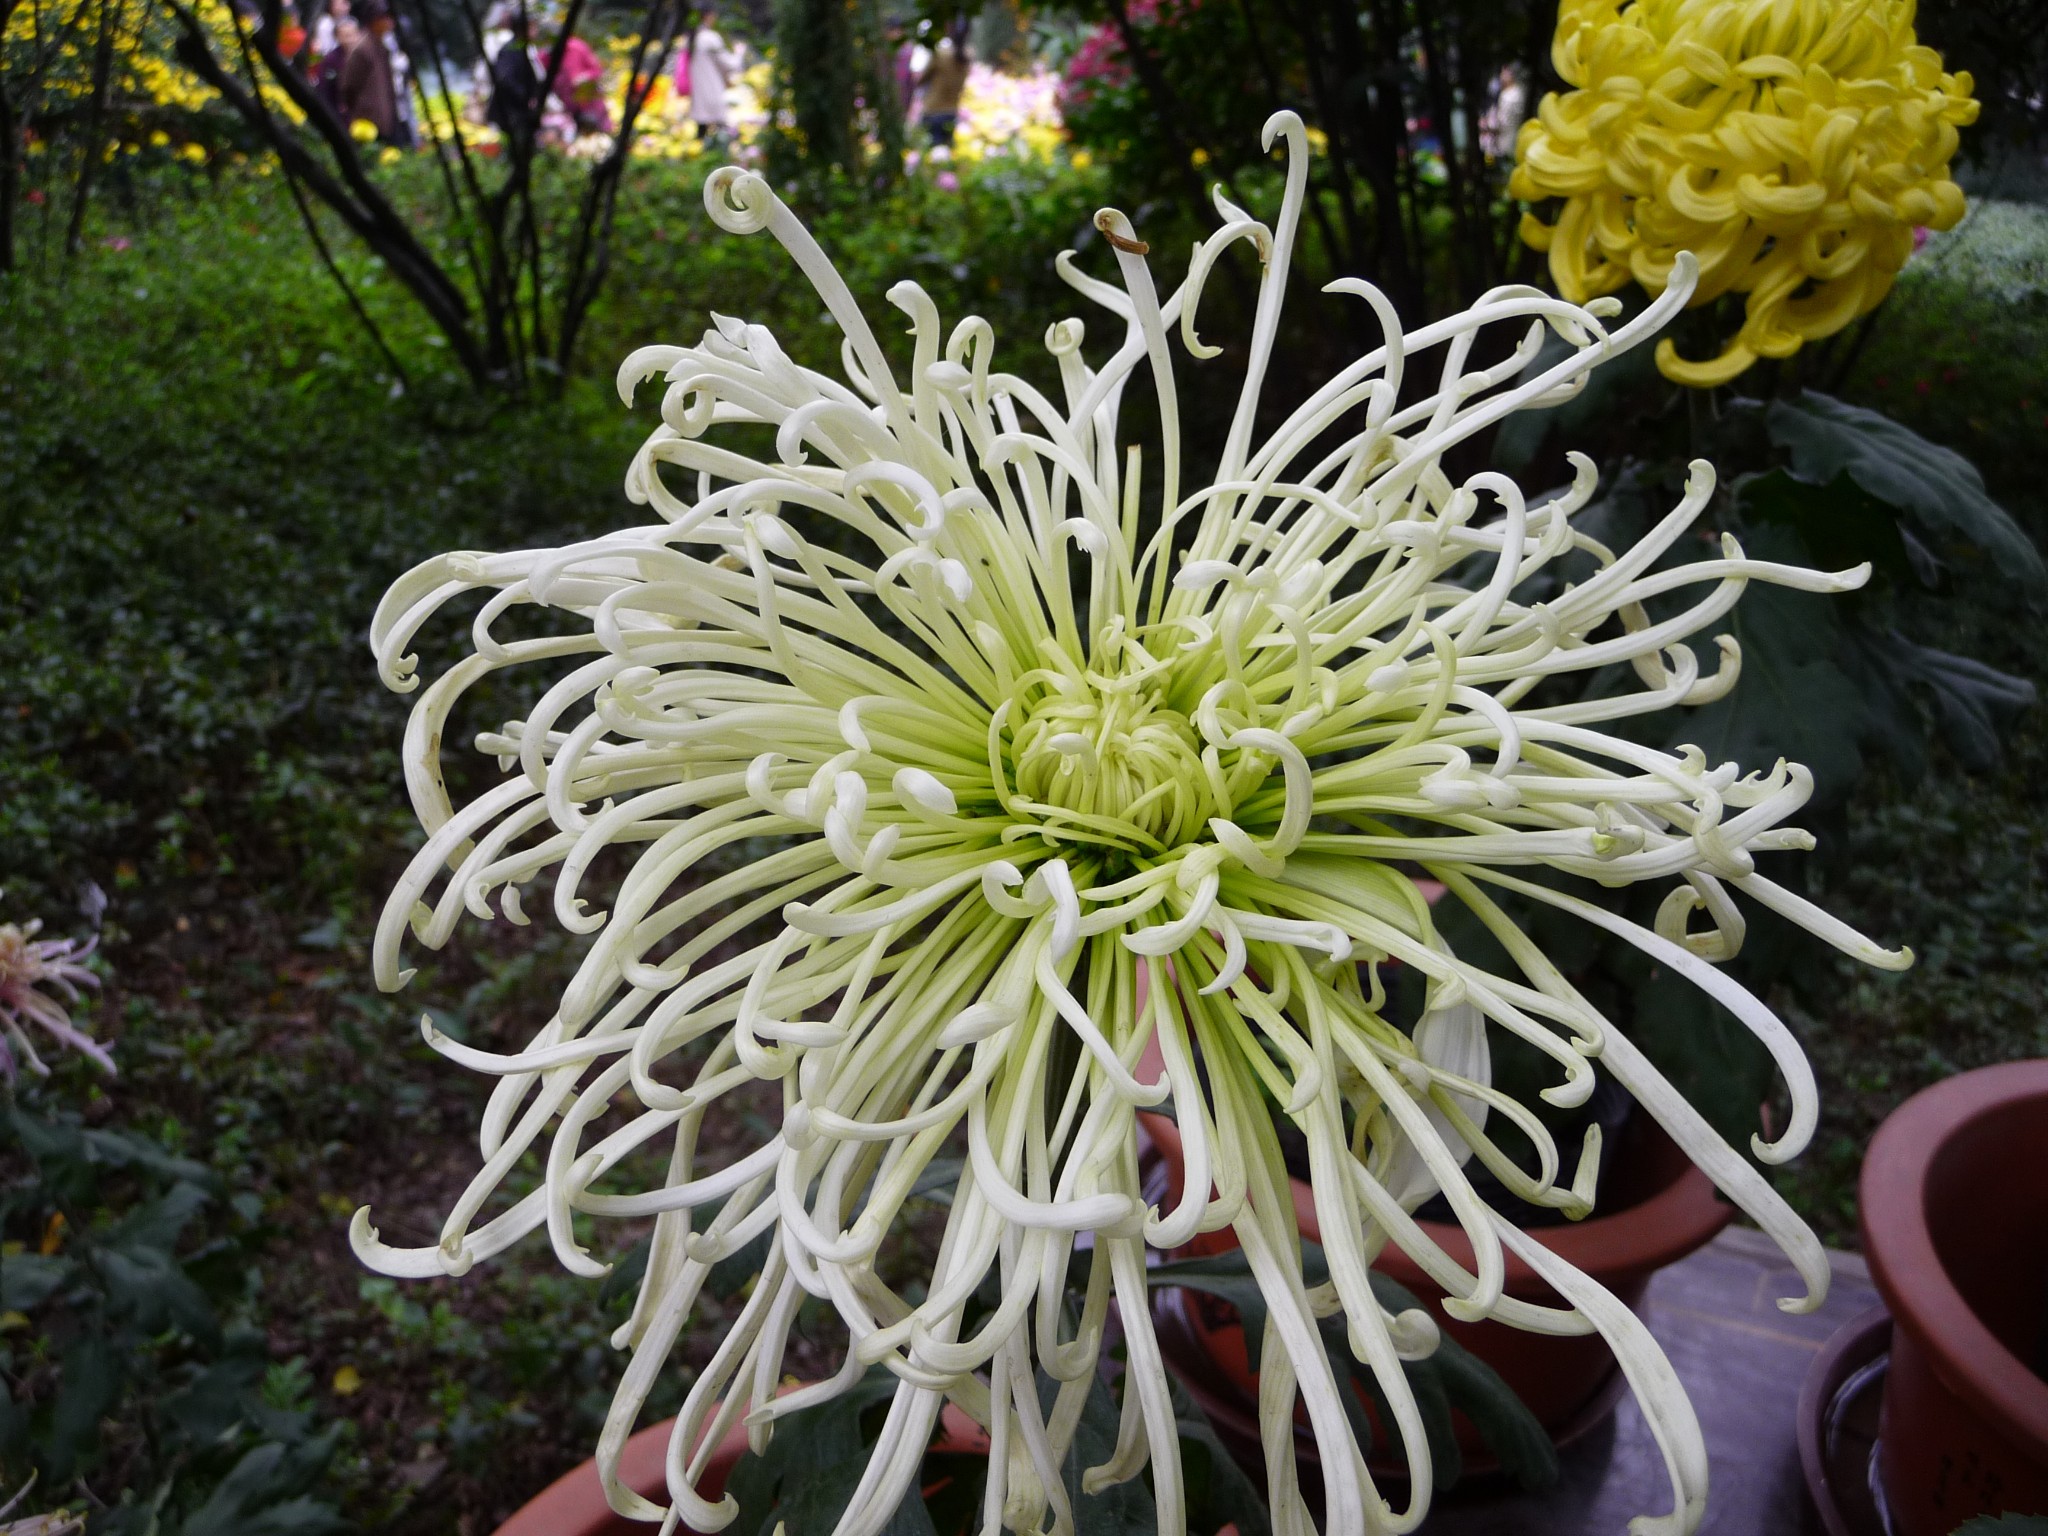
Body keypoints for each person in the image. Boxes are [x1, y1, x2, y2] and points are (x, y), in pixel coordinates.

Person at [681, 8, 743, 149]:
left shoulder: (691, 37)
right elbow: (730, 64)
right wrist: (739, 53)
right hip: (712, 89)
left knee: (701, 131)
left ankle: (698, 155)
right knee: (721, 131)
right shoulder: (710, 38)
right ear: (708, 16)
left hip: (698, 92)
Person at [336, 9, 398, 141]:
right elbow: (348, 87)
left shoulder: (380, 44)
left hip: (385, 119)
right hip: (368, 124)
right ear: (375, 21)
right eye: (385, 18)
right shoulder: (363, 49)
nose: (390, 23)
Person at [486, 6, 542, 143]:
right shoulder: (510, 51)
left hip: (520, 114)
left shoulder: (525, 49)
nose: (536, 30)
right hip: (510, 116)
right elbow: (504, 79)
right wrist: (526, 97)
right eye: (533, 26)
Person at [553, 25, 611, 137]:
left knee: (601, 132)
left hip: (590, 101)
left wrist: (584, 77)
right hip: (569, 106)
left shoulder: (577, 47)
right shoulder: (547, 54)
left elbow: (597, 70)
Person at [916, 32, 966, 150]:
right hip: (952, 110)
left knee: (933, 150)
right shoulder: (965, 57)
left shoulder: (940, 55)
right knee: (947, 150)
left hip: (933, 110)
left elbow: (922, 79)